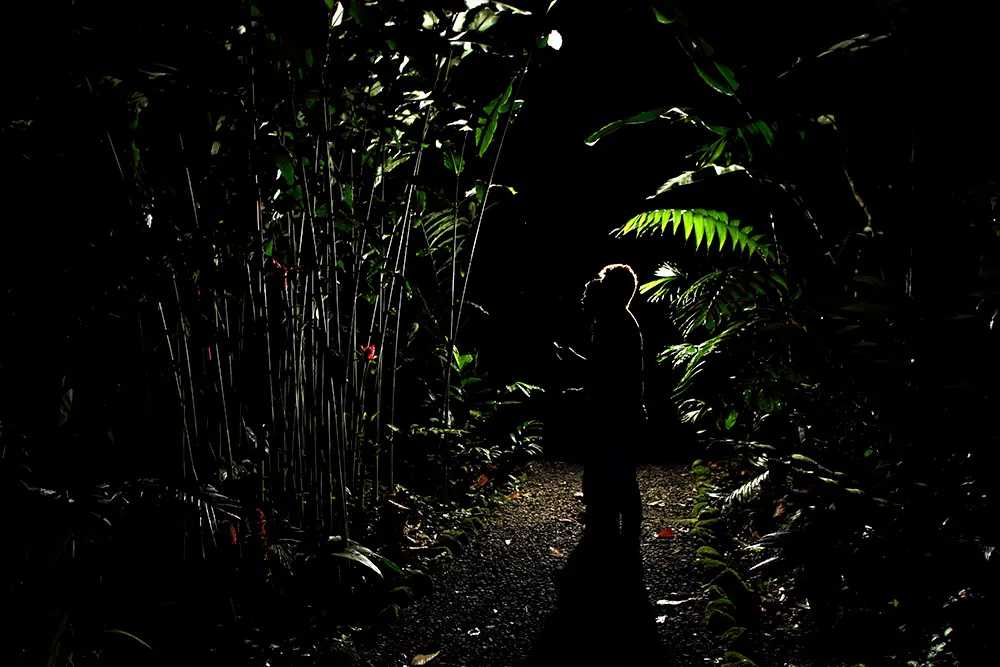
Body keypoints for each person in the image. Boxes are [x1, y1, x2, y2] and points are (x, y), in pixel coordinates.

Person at [556, 264, 645, 548]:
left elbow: (606, 372)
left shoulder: (615, 324)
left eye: (604, 282)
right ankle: (618, 543)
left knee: (608, 476)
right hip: (620, 412)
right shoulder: (617, 321)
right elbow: (611, 373)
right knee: (617, 477)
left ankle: (609, 543)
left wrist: (573, 363)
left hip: (615, 415)